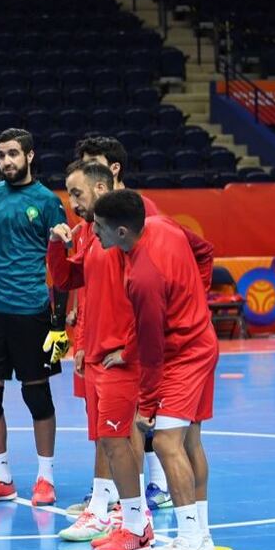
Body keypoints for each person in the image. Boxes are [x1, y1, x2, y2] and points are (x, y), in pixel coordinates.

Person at [90, 189, 218, 550]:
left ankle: (192, 544)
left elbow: (151, 352)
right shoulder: (165, 225)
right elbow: (206, 252)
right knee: (189, 441)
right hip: (202, 340)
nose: (94, 233)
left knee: (164, 441)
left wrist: (146, 406)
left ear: (122, 232)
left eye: (99, 228)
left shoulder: (142, 278)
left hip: (184, 356)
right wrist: (196, 300)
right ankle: (200, 535)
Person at [0, 128, 69, 506]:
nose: (6, 161)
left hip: (31, 311)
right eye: (1, 155)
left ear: (29, 155)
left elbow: (62, 265)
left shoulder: (49, 202)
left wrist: (59, 321)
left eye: (13, 154)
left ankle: (45, 479)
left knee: (37, 396)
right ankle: (2, 478)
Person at [47, 161, 151, 550]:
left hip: (120, 358)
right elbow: (68, 279)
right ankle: (114, 513)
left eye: (77, 193)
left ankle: (134, 520)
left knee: (118, 437)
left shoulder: (126, 234)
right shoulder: (91, 235)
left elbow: (147, 297)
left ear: (101, 189)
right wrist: (56, 247)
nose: (72, 202)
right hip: (96, 354)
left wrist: (130, 349)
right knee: (106, 439)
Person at [73, 136, 173, 512]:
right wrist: (81, 338)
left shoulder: (140, 212)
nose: (87, 173)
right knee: (108, 423)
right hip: (99, 337)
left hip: (128, 341)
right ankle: (113, 494)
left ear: (112, 171)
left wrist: (133, 344)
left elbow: (148, 285)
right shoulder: (89, 222)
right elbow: (88, 286)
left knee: (132, 420)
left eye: (94, 165)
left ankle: (142, 494)